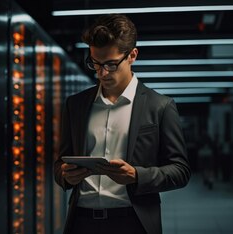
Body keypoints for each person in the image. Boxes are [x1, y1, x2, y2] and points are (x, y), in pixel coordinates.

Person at [54, 14, 191, 234]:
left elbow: (180, 171)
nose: (102, 73)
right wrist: (65, 174)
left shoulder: (160, 106)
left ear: (132, 55)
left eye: (110, 64)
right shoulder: (76, 105)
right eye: (95, 64)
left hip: (133, 222)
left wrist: (137, 176)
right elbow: (59, 163)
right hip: (81, 222)